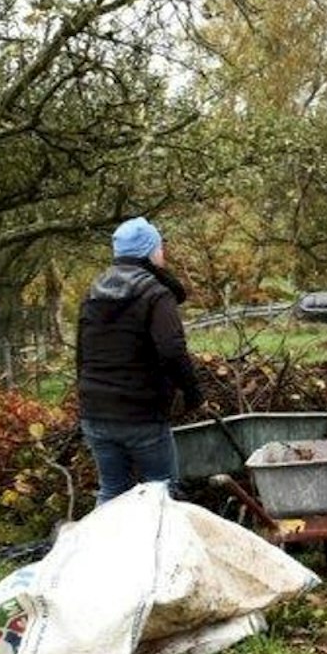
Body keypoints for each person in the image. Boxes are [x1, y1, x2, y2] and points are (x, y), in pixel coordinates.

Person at [76, 217, 204, 507]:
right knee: (162, 494)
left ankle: (102, 552)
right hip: (140, 413)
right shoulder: (155, 294)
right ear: (149, 251)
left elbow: (81, 356)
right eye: (160, 246)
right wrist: (194, 394)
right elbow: (172, 350)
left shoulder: (93, 293)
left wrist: (86, 398)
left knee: (112, 491)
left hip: (95, 412)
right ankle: (162, 553)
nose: (163, 253)